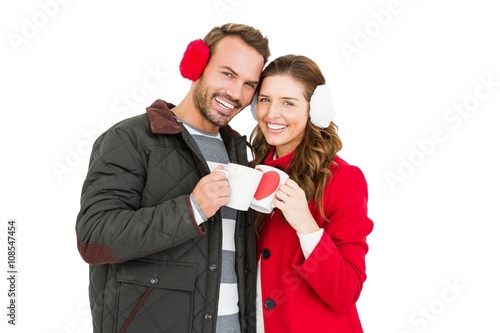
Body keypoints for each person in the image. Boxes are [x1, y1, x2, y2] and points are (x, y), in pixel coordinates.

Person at [75, 23, 270, 333]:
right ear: (197, 65)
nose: (236, 93)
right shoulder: (130, 138)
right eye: (228, 74)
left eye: (249, 84)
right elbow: (94, 238)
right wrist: (192, 208)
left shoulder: (241, 153)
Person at [249, 54, 374, 333]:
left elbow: (345, 291)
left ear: (315, 109)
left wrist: (306, 225)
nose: (271, 114)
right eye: (265, 99)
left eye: (288, 103)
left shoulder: (343, 180)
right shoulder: (249, 173)